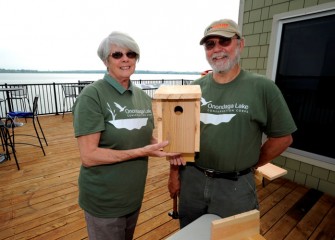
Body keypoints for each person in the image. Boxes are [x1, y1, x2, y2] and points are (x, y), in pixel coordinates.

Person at [168, 18, 297, 228]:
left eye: (224, 42)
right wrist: (174, 176)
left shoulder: (262, 87)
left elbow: (283, 137)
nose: (217, 49)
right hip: (192, 180)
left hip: (235, 187)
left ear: (240, 44)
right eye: (210, 45)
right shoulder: (193, 89)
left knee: (235, 234)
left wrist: (252, 163)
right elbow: (179, 140)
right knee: (190, 232)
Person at [72, 31, 182, 240]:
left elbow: (144, 136)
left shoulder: (140, 96)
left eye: (131, 54)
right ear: (106, 60)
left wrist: (165, 146)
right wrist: (143, 151)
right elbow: (89, 156)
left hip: (133, 196)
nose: (125, 59)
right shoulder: (92, 96)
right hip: (104, 201)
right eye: (117, 54)